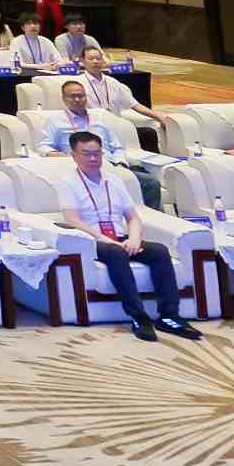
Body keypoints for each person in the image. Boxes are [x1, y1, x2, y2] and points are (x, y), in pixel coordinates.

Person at [52, 128, 198, 342]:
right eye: (86, 154)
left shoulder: (114, 180)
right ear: (73, 156)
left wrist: (134, 239)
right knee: (116, 253)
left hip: (120, 238)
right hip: (93, 240)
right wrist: (107, 240)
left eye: (97, 153)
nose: (93, 158)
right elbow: (73, 221)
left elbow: (133, 217)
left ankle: (169, 315)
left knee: (159, 251)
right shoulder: (67, 183)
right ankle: (139, 316)